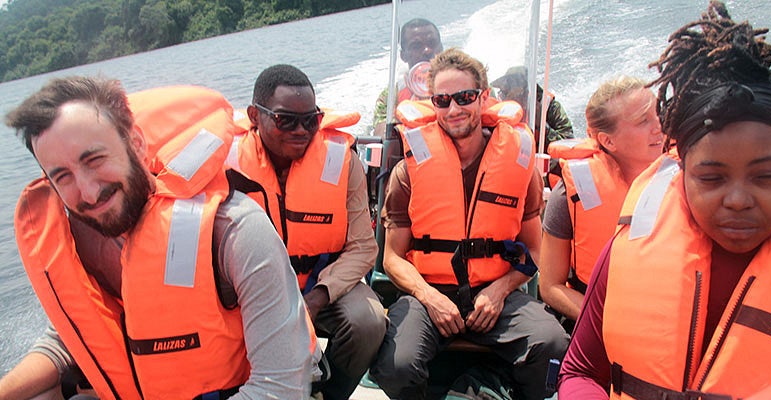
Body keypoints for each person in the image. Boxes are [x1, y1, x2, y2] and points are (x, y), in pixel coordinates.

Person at [0, 78, 314, 399]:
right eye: (63, 177)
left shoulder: (234, 231)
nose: (89, 192)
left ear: (136, 143)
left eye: (94, 160)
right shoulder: (87, 238)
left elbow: (282, 387)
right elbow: (73, 333)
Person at [558, 2, 771, 398]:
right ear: (681, 171)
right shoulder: (629, 246)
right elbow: (581, 370)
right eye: (711, 177)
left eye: (766, 176)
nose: (737, 200)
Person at [370, 48, 570, 400]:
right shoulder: (408, 172)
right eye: (442, 100)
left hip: (498, 294)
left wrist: (501, 290)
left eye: (464, 97)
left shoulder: (519, 167)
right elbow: (392, 259)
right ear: (433, 104)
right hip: (428, 294)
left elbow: (535, 250)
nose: (454, 109)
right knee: (396, 364)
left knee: (551, 344)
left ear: (483, 97)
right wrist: (429, 297)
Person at [227, 64, 387, 400]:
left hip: (319, 285)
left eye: (310, 120)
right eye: (286, 119)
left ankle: (327, 393)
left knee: (369, 322)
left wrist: (317, 297)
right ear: (255, 116)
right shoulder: (227, 166)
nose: (301, 130)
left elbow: (362, 248)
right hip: (252, 291)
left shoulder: (342, 161)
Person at [538, 76, 663, 327]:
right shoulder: (573, 193)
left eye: (658, 113)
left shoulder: (686, 182)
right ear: (608, 141)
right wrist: (610, 321)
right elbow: (550, 286)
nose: (659, 126)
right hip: (600, 319)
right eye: (643, 121)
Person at [372, 18, 444, 136]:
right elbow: (380, 134)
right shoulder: (390, 96)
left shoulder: (464, 82)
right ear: (403, 55)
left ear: (441, 48)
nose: (427, 50)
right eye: (416, 46)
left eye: (432, 43)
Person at [491, 66, 574, 149]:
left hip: (544, 159)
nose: (507, 95)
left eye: (513, 86)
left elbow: (568, 146)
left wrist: (542, 125)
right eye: (505, 91)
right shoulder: (502, 111)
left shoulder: (550, 107)